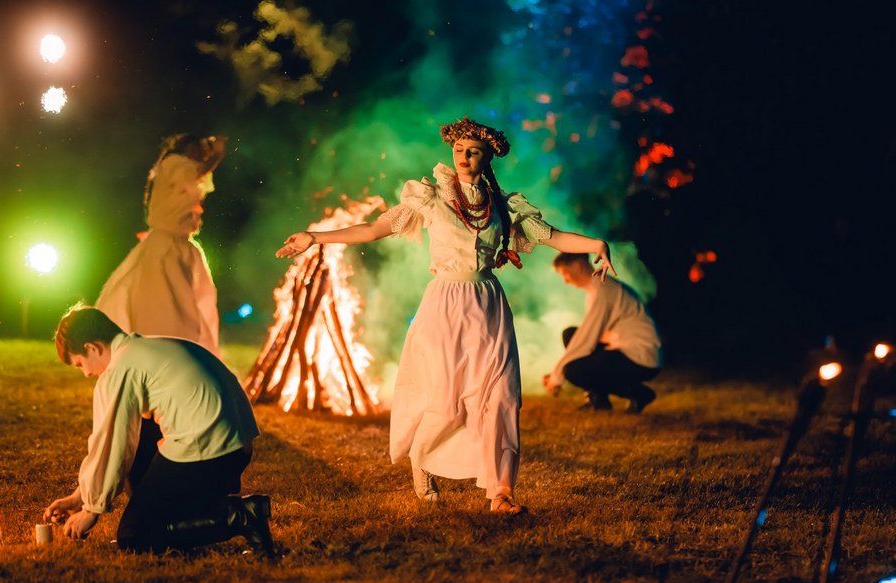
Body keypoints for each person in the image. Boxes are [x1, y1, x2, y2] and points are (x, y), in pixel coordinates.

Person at [276, 117, 615, 514]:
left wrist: (597, 243)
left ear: (487, 157)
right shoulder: (432, 197)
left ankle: (502, 492)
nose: (465, 158)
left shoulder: (502, 206)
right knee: (447, 400)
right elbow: (373, 230)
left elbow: (551, 235)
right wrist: (315, 238)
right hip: (445, 303)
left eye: (473, 152)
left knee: (502, 397)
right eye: (459, 151)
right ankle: (422, 459)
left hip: (488, 303)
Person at [43, 304, 273, 555]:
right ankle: (168, 514)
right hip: (236, 446)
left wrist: (92, 509)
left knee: (134, 536)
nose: (86, 373)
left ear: (92, 348)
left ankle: (242, 516)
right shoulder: (143, 349)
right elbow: (126, 441)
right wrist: (79, 498)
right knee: (141, 428)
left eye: (80, 364)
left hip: (210, 451)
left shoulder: (121, 368)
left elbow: (112, 443)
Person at [95, 133, 227, 357]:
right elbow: (197, 173)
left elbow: (196, 181)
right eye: (198, 147)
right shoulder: (174, 163)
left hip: (178, 247)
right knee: (168, 311)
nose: (201, 153)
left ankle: (184, 355)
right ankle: (170, 356)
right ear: (187, 148)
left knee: (191, 307)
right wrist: (218, 154)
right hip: (165, 249)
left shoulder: (180, 169)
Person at [542, 252, 662, 413]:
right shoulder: (596, 288)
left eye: (565, 273)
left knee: (573, 371)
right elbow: (589, 337)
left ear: (577, 265)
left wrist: (557, 375)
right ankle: (599, 400)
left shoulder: (603, 289)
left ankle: (640, 394)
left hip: (641, 357)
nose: (565, 281)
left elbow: (586, 341)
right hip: (623, 349)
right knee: (570, 334)